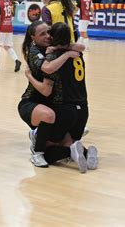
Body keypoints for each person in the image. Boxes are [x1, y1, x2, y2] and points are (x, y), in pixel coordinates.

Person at [26, 22, 98, 173]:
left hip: (66, 108)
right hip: (83, 109)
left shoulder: (53, 57)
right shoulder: (78, 54)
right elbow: (80, 47)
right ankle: (85, 152)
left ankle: (70, 152)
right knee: (68, 141)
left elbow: (47, 69)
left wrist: (28, 75)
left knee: (48, 150)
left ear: (53, 37)